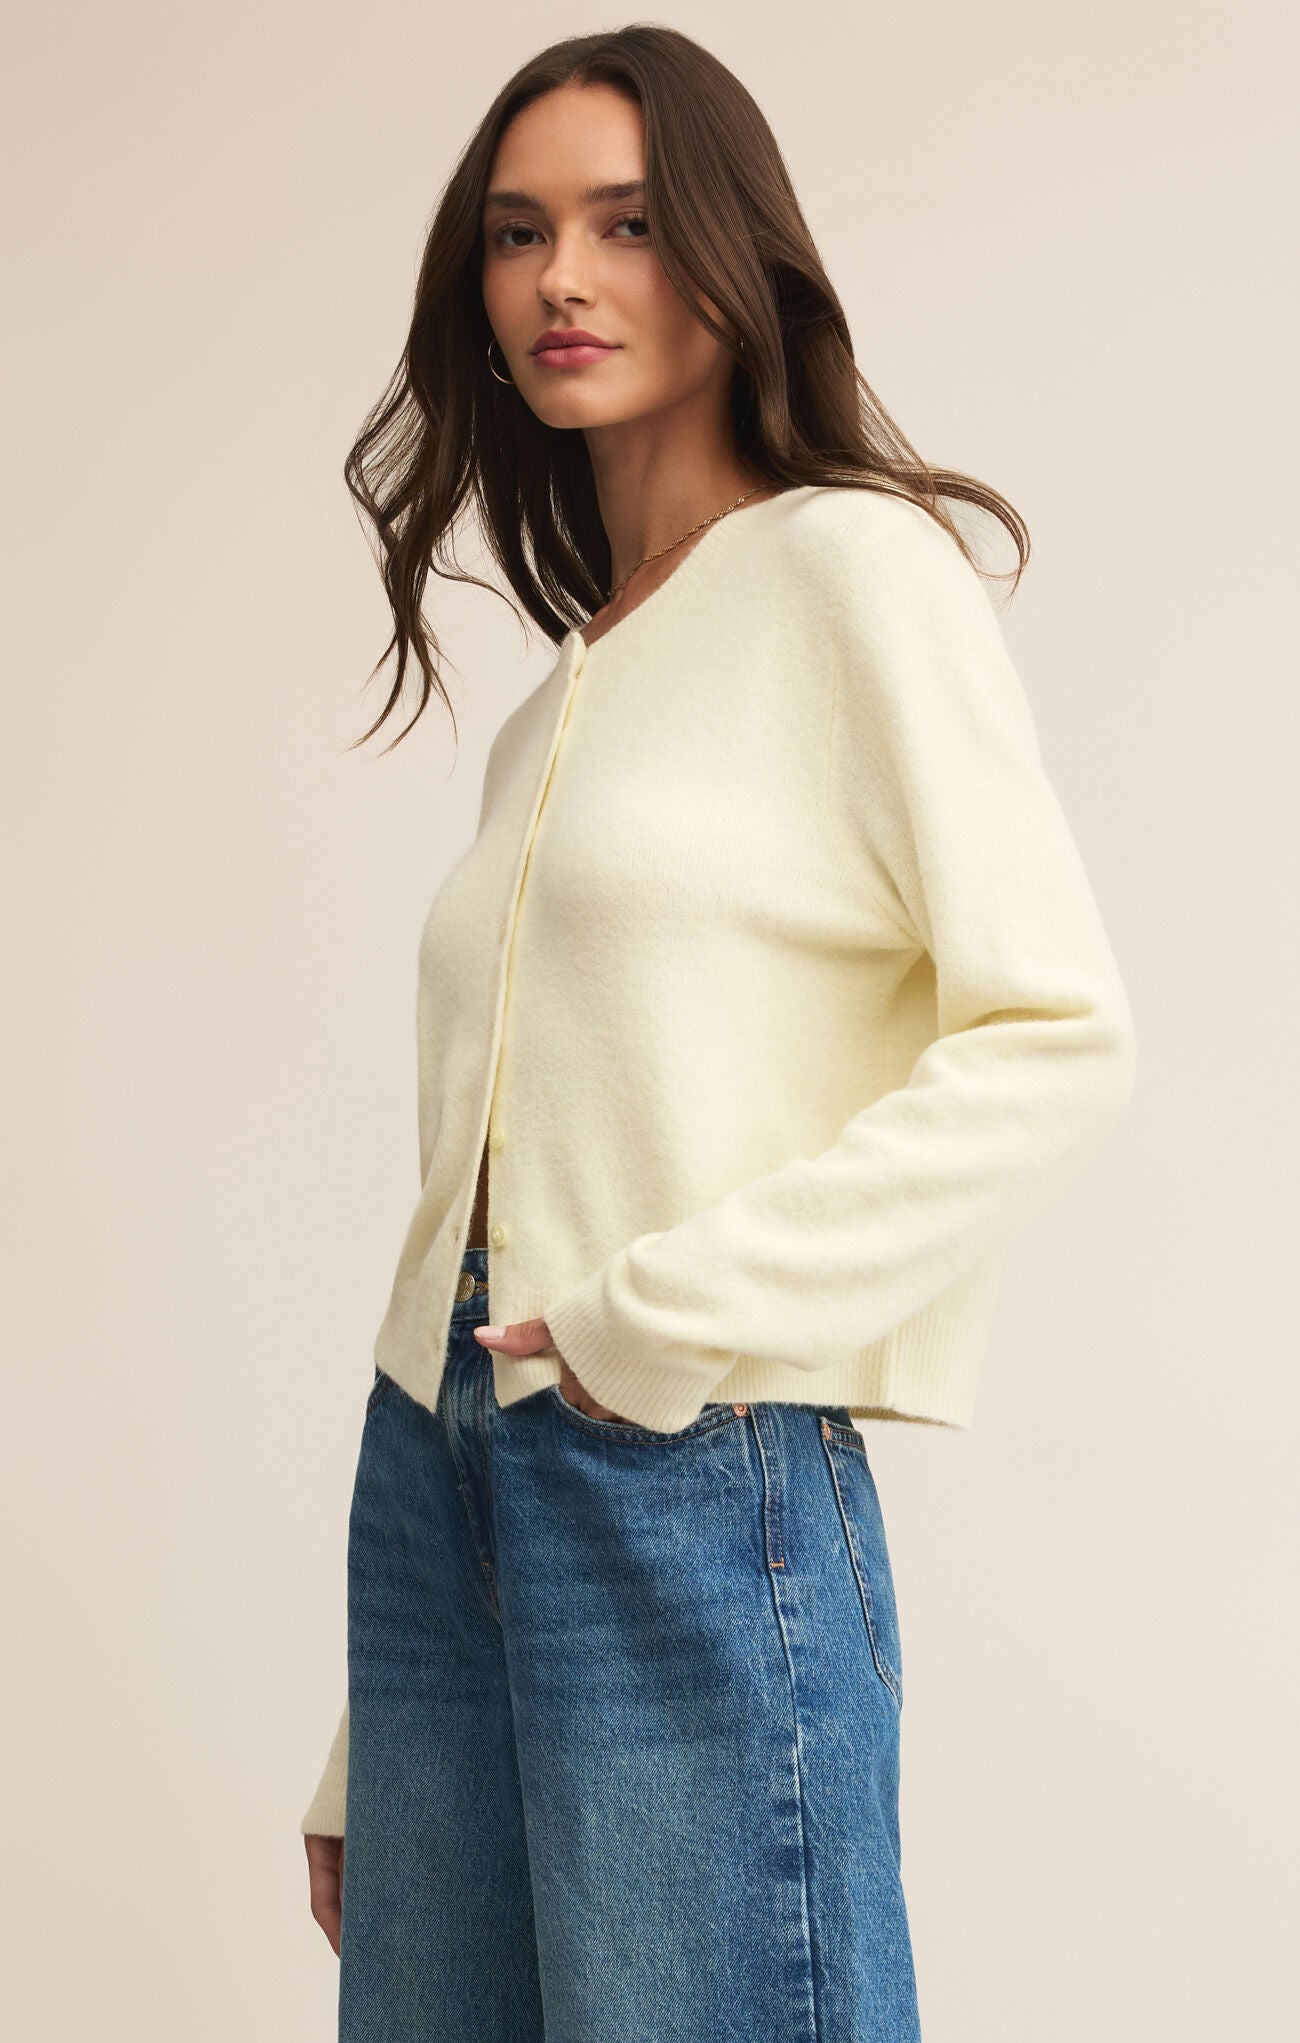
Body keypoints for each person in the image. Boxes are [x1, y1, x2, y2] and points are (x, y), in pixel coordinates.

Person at [300, 26, 1137, 2042]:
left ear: (726, 256)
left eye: (624, 224)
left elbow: (1054, 1032)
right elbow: (479, 1189)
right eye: (517, 235)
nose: (560, 280)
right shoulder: (561, 696)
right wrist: (368, 1717)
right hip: (440, 1495)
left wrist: (661, 1319)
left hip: (680, 1458)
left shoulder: (855, 572)